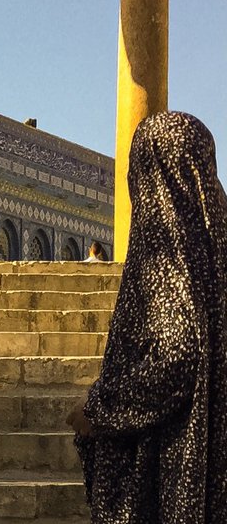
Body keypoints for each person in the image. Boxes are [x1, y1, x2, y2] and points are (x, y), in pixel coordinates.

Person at [67, 111, 227, 523]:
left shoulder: (168, 247)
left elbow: (178, 358)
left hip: (173, 472)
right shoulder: (217, 247)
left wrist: (100, 411)